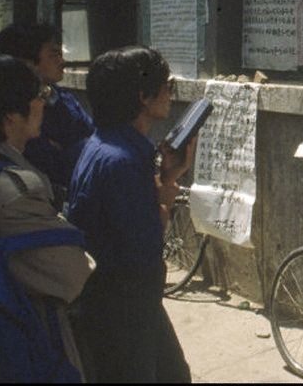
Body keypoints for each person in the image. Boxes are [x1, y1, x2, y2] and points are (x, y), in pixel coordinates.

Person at [67, 46, 195, 383]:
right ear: (143, 96)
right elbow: (144, 248)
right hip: (122, 306)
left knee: (174, 375)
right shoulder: (122, 162)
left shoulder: (104, 146)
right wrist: (164, 201)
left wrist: (167, 178)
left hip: (123, 302)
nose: (170, 94)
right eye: (167, 86)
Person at [0, 55, 95, 380]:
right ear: (10, 118)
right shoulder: (14, 190)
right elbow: (73, 273)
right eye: (39, 96)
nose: (44, 105)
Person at [0, 23, 95, 209]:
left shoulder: (61, 97)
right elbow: (43, 159)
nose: (62, 61)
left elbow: (90, 138)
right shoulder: (8, 107)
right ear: (27, 62)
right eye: (53, 54)